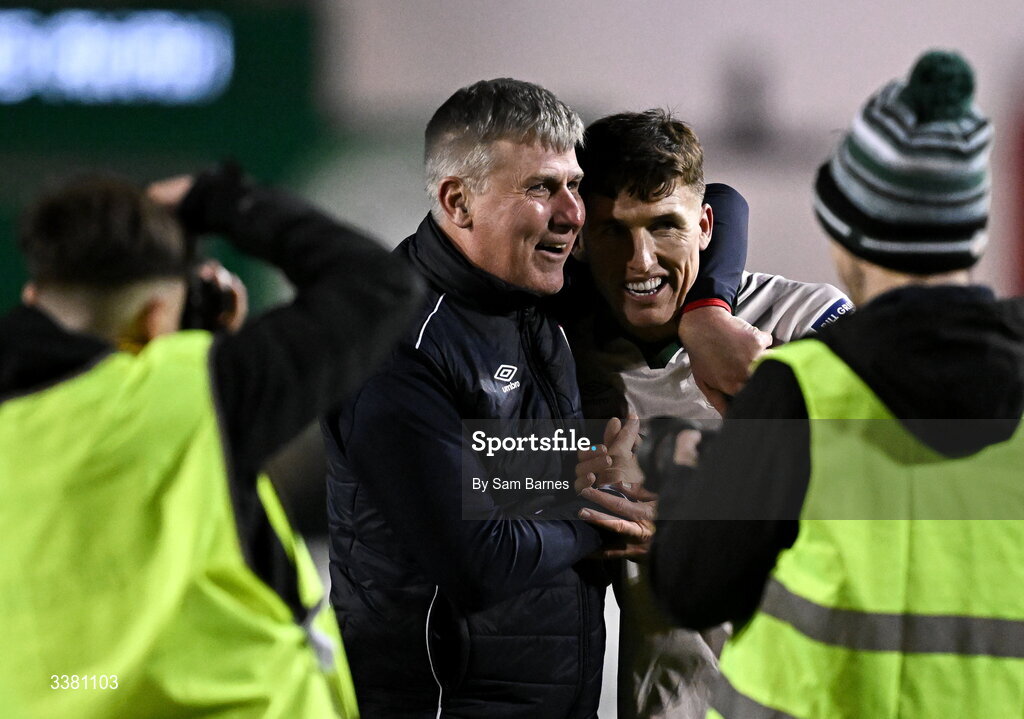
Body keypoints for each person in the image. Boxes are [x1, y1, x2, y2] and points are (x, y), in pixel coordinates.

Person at [322, 78, 757, 718]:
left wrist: (708, 311)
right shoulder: (395, 343)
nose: (573, 214)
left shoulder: (537, 286)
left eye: (573, 184)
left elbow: (713, 199)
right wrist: (603, 500)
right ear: (458, 202)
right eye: (539, 188)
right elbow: (478, 562)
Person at [650, 50, 1024, 718]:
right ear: (972, 234)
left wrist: (682, 473)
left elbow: (693, 587)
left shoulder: (802, 391)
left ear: (847, 236)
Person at [0, 164, 422, 718]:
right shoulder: (196, 392)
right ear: (156, 318)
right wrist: (220, 201)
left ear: (34, 296)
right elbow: (380, 285)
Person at [565, 110, 850, 719]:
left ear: (705, 225)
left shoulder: (806, 322)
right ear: (584, 239)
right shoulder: (560, 353)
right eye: (615, 231)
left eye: (664, 227)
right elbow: (489, 485)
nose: (640, 261)